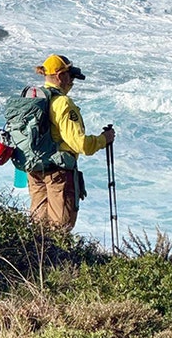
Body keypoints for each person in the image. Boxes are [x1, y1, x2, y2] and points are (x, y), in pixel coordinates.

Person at [30, 54, 115, 229]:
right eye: (70, 76)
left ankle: (36, 256)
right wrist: (103, 139)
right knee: (60, 227)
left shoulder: (35, 98)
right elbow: (81, 144)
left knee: (39, 226)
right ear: (60, 76)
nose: (72, 82)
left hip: (34, 169)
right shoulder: (63, 103)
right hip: (57, 173)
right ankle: (55, 257)